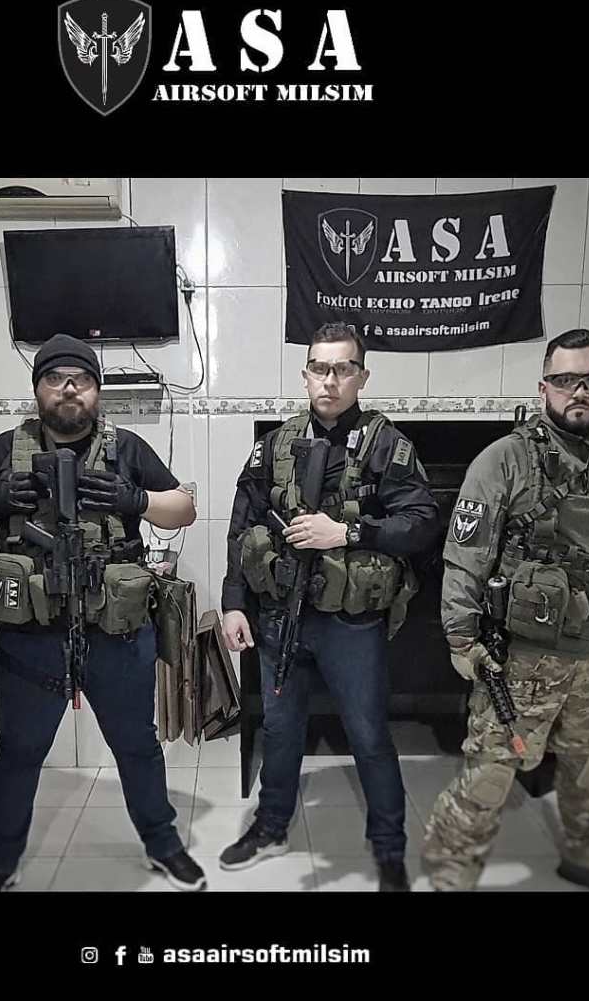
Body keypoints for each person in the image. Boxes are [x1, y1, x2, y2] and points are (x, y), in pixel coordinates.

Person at [422, 328, 589, 892]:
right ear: (544, 387)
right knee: (489, 777)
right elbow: (465, 557)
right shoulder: (505, 461)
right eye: (565, 380)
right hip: (520, 662)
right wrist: (461, 638)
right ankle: (449, 871)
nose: (579, 391)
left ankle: (587, 860)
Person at [0, 333, 206, 891]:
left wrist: (136, 500)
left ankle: (163, 846)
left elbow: (183, 509)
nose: (69, 388)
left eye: (82, 379)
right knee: (19, 752)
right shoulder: (6, 449)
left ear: (97, 391)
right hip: (31, 636)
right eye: (55, 378)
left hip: (115, 633)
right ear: (37, 389)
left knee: (136, 746)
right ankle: (0, 863)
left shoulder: (127, 448)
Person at [218, 321, 440, 892]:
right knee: (280, 730)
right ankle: (271, 826)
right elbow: (241, 529)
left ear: (362, 377)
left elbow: (421, 523)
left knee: (368, 735)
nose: (330, 380)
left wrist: (347, 532)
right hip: (278, 617)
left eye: (344, 369)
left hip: (351, 625)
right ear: (305, 375)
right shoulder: (274, 446)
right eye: (320, 367)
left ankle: (389, 848)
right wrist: (234, 603)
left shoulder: (385, 444)